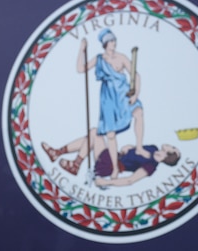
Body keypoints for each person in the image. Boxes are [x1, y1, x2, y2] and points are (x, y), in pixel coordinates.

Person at [76, 29, 148, 180]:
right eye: (110, 41)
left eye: (114, 41)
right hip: (108, 98)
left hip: (124, 94)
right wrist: (82, 51)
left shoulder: (121, 57)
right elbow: (80, 69)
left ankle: (139, 147)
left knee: (139, 112)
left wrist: (136, 94)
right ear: (105, 44)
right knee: (110, 134)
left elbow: (136, 74)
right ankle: (115, 168)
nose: (113, 44)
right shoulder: (99, 59)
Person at [41, 128, 180, 187]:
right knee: (93, 135)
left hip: (111, 166)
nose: (172, 145)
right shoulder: (153, 148)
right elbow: (136, 150)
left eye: (173, 148)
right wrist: (129, 147)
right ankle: (57, 153)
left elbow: (129, 181)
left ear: (170, 156)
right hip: (114, 155)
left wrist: (106, 183)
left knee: (95, 134)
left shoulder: (150, 167)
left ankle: (74, 164)